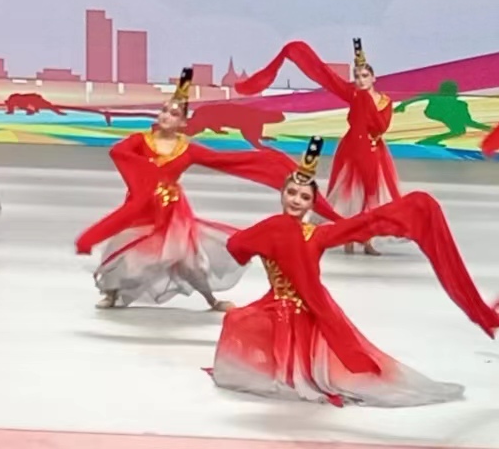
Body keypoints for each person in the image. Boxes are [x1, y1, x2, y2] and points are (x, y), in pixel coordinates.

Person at [209, 137, 499, 406]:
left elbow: (363, 224)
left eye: (304, 197)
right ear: (282, 194)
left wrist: (411, 210)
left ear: (312, 204)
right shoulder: (269, 229)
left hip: (310, 313)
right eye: (292, 193)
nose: (296, 200)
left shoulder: (315, 234)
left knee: (337, 372)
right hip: (277, 309)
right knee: (238, 321)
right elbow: (237, 245)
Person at [77, 70, 342, 311]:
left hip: (172, 213)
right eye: (164, 111)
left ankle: (210, 299)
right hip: (142, 206)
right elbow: (119, 153)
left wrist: (267, 160)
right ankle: (111, 293)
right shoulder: (140, 141)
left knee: (188, 259)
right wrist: (147, 174)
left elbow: (225, 160)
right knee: (127, 252)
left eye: (173, 114)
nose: (166, 116)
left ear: (183, 122)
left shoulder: (187, 149)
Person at [236, 38, 398, 254]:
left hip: (372, 150)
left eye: (364, 76)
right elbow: (328, 78)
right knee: (348, 195)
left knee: (370, 195)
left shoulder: (384, 101)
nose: (360, 80)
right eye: (357, 76)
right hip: (352, 149)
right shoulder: (354, 95)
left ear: (373, 77)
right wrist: (300, 55)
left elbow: (381, 126)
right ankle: (348, 237)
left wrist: (367, 104)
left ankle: (367, 240)